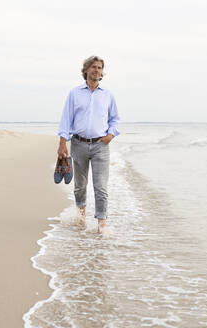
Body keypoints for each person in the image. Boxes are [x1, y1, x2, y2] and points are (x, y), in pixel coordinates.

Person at [57, 55, 120, 233]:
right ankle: (81, 217)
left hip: (101, 146)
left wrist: (110, 135)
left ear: (102, 72)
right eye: (93, 67)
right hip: (79, 144)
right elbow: (66, 120)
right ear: (86, 70)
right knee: (79, 186)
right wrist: (62, 143)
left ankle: (102, 225)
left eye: (99, 68)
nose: (96, 70)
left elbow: (115, 119)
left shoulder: (107, 95)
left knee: (100, 187)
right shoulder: (74, 93)